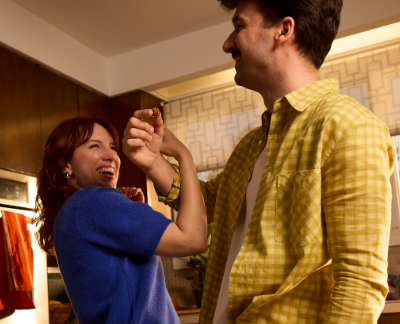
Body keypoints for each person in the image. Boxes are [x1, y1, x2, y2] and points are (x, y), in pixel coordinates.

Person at [122, 0, 396, 323]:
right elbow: (208, 203)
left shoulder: (349, 128)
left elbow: (360, 283)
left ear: (284, 29)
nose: (227, 44)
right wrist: (153, 161)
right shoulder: (250, 147)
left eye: (239, 26)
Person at [33, 116, 207, 324]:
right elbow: (194, 239)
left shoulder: (69, 211)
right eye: (94, 146)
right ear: (66, 165)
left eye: (114, 148)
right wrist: (183, 154)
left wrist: (131, 211)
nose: (111, 156)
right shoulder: (94, 200)